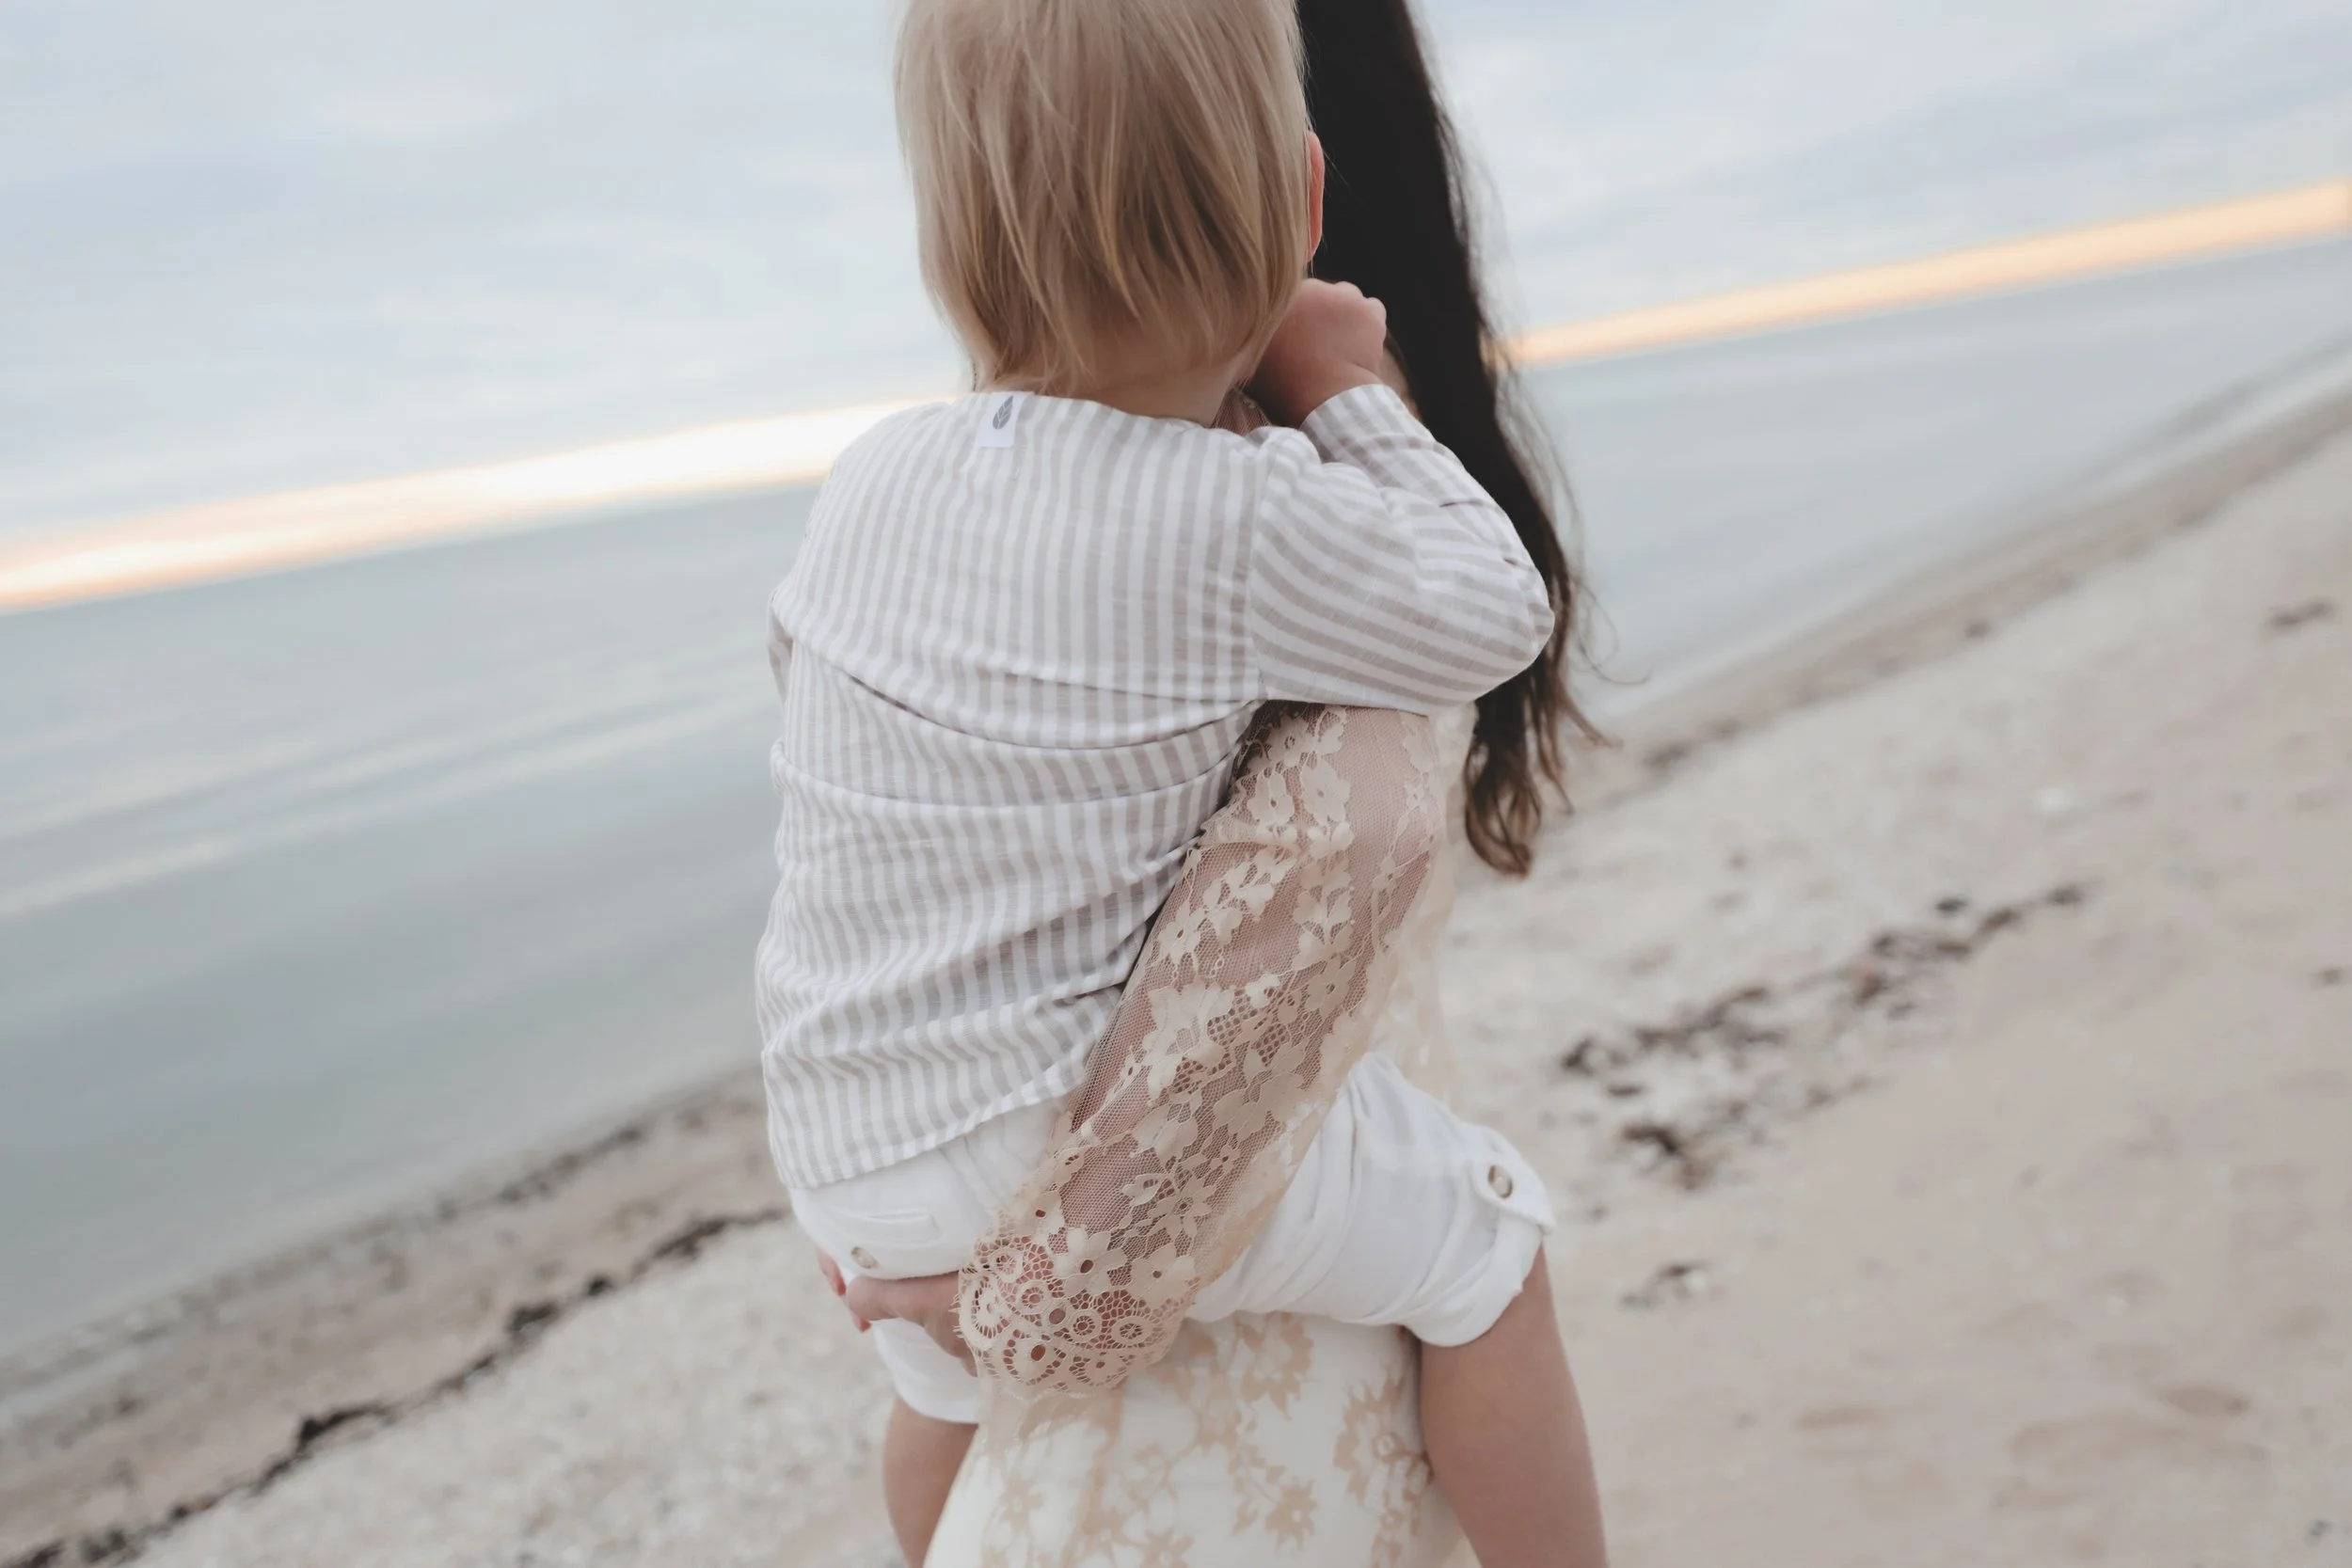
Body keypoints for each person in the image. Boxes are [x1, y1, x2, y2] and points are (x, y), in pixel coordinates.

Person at [756, 0, 1604, 1562]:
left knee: (947, 1408)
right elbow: (1491, 606)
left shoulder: (872, 476)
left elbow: (806, 685)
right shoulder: (1234, 516)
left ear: (944, 239)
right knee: (1486, 1244)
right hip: (1049, 1144)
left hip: (844, 1128)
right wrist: (1347, 385)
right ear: (1303, 200)